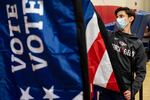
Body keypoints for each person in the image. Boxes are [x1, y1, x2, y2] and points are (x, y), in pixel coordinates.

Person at [98, 7, 147, 100]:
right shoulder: (110, 36)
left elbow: (141, 72)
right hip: (107, 89)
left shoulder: (137, 43)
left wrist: (133, 90)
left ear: (131, 18)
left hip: (124, 91)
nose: (118, 19)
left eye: (121, 16)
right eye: (117, 17)